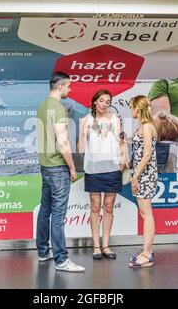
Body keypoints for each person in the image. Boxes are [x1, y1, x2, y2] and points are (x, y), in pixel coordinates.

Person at [36, 71, 85, 272]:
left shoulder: (42, 106)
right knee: (58, 214)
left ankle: (42, 251)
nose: (70, 89)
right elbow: (63, 142)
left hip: (45, 165)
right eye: (69, 86)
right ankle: (61, 259)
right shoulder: (57, 109)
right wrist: (72, 167)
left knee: (44, 210)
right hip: (57, 167)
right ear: (60, 87)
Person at [78, 89, 126, 260]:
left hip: (112, 168)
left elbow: (120, 142)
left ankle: (106, 245)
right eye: (102, 101)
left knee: (109, 206)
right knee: (95, 206)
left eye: (108, 101)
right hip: (93, 169)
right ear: (95, 101)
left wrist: (121, 163)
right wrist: (84, 133)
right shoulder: (86, 120)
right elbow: (81, 149)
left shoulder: (115, 118)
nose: (105, 104)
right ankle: (96, 246)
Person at [128, 95, 158, 268]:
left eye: (132, 107)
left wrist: (135, 176)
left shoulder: (147, 127)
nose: (131, 110)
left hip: (145, 175)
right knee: (145, 213)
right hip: (143, 173)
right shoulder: (145, 126)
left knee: (147, 214)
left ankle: (147, 254)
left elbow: (147, 154)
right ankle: (147, 251)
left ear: (137, 109)